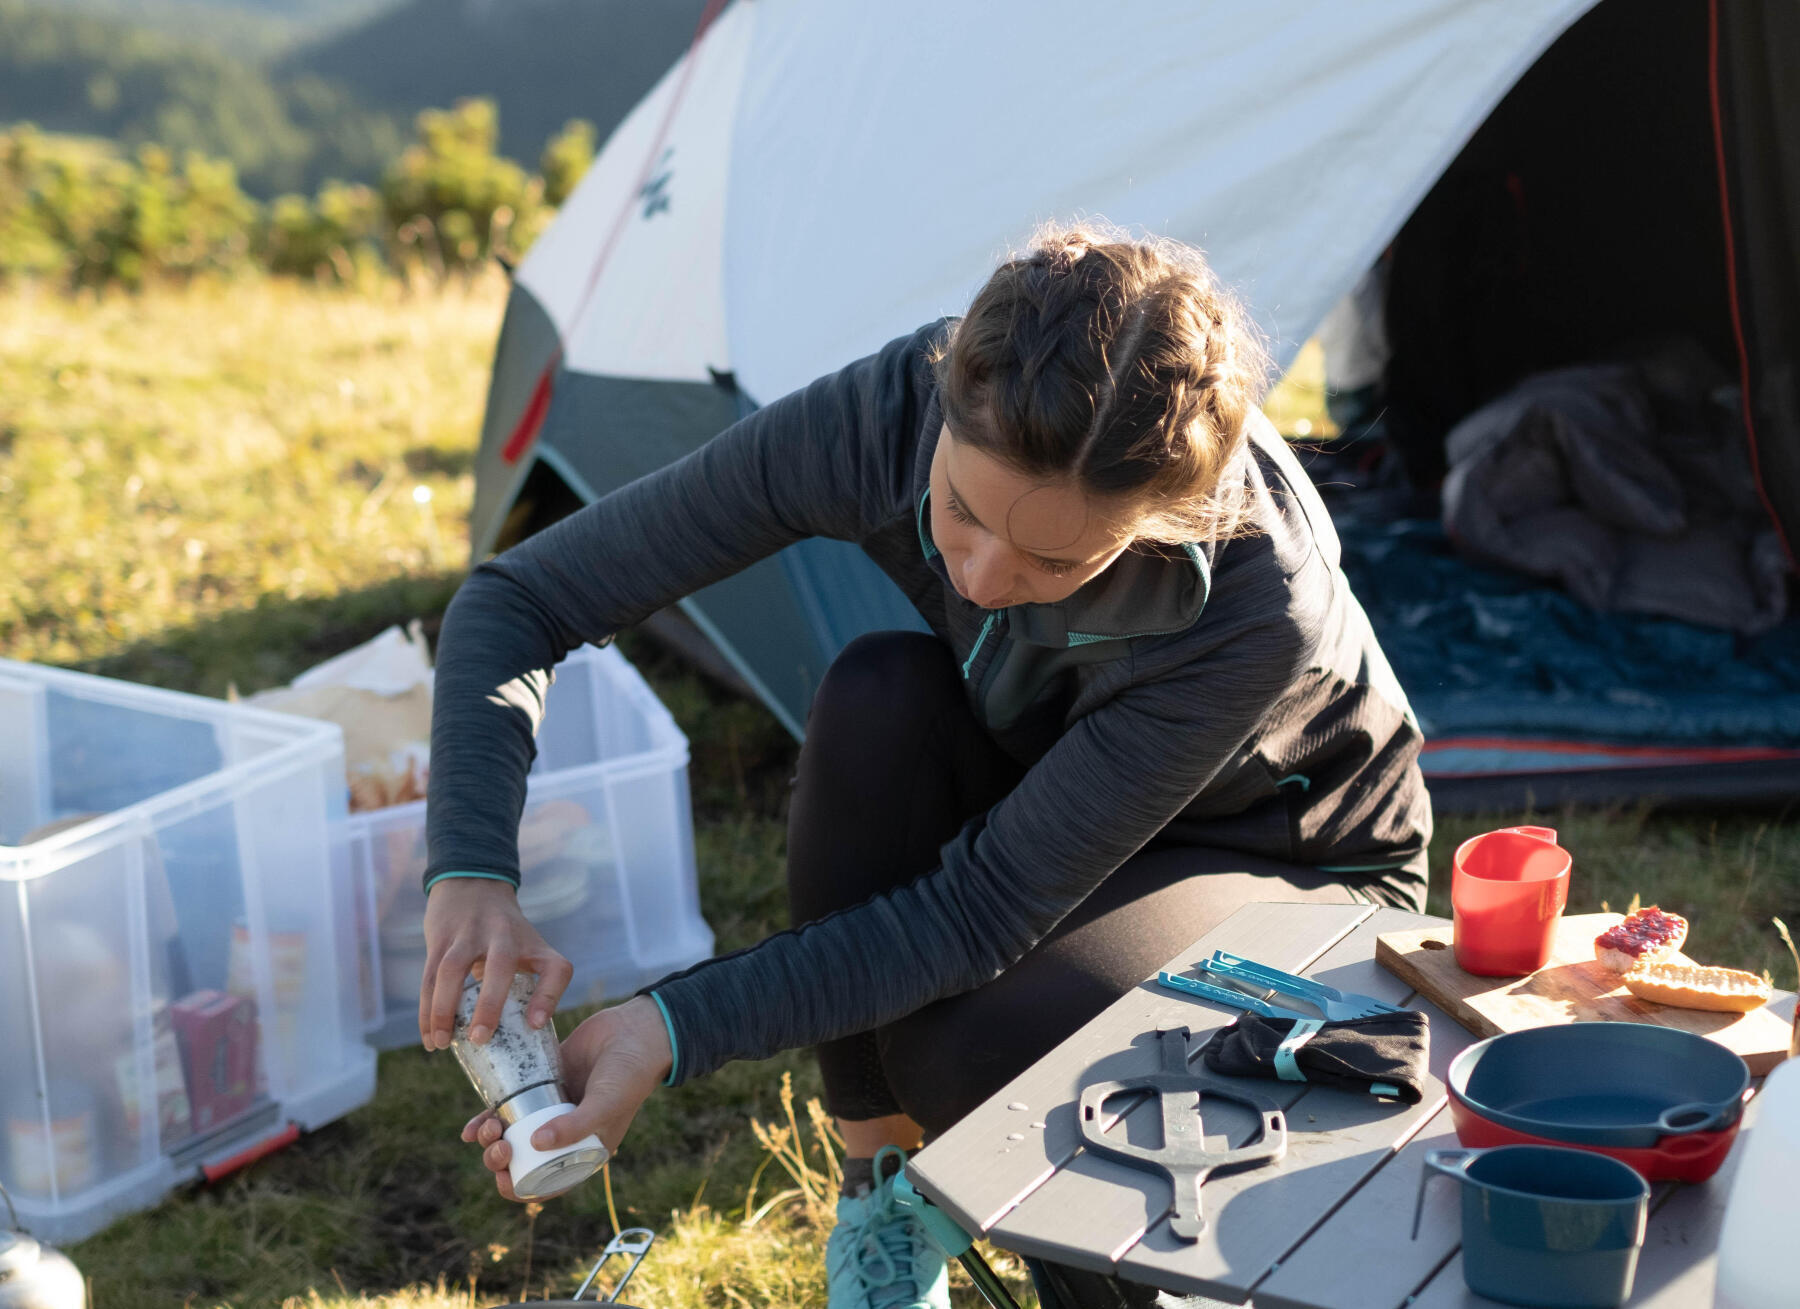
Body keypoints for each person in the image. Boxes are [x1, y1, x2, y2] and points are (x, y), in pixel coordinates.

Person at [420, 224, 1432, 1309]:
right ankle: (887, 1190)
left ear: (1153, 524)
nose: (985, 574)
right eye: (959, 509)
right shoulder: (889, 411)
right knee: (878, 699)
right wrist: (472, 868)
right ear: (945, 401)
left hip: (1286, 870)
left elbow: (971, 918)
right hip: (1051, 778)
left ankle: (1125, 1292)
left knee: (986, 1042)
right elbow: (522, 599)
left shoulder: (1252, 603)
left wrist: (662, 1029)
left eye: (1056, 560)